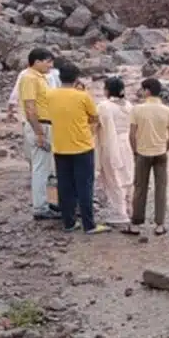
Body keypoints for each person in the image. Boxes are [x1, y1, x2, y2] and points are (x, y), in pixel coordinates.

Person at [46, 63, 110, 234]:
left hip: (60, 146)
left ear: (60, 77)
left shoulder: (49, 95)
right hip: (82, 146)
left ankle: (68, 223)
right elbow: (94, 117)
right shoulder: (82, 96)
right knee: (85, 186)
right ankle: (89, 225)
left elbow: (47, 116)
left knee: (65, 186)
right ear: (76, 79)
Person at [123, 78, 169, 237]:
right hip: (160, 153)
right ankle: (160, 224)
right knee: (161, 188)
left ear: (147, 91)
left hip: (142, 153)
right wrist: (164, 148)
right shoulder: (167, 110)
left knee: (140, 188)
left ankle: (136, 224)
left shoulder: (137, 109)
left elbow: (132, 135)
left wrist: (135, 151)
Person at [18, 48, 61, 220]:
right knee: (40, 168)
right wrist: (39, 133)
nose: (50, 65)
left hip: (45, 124)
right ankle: (40, 207)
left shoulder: (39, 77)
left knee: (43, 166)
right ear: (36, 62)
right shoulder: (29, 78)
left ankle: (42, 202)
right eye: (47, 61)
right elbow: (30, 108)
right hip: (40, 125)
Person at [95, 77, 134, 227]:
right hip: (126, 142)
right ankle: (128, 207)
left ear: (107, 90)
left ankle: (120, 212)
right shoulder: (128, 105)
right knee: (126, 175)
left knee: (113, 176)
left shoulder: (105, 106)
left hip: (111, 142)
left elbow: (100, 125)